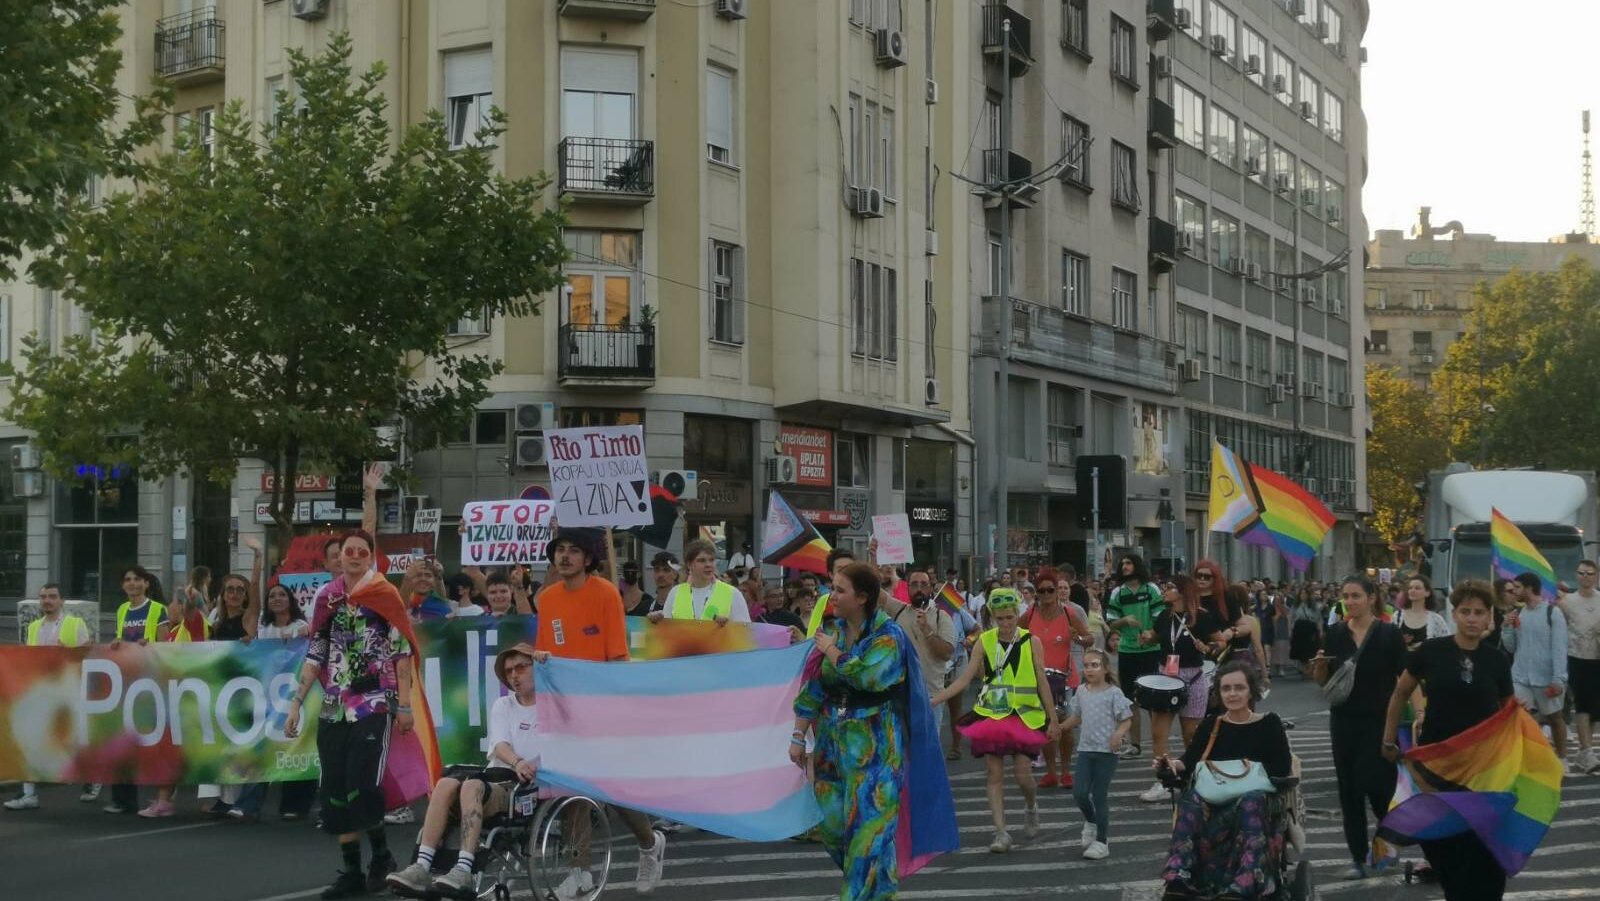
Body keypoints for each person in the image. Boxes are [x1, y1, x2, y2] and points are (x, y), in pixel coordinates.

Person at [792, 562, 956, 899]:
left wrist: (831, 652)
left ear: (863, 597)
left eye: (839, 590)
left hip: (877, 755)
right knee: (835, 833)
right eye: (831, 587)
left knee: (866, 841)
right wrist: (798, 735)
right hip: (831, 751)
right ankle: (883, 893)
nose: (830, 596)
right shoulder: (833, 632)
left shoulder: (889, 637)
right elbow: (814, 686)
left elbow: (865, 676)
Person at [284, 529, 421, 899]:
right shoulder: (327, 598)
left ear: (371, 557)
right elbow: (316, 652)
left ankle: (381, 858)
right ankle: (351, 871)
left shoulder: (383, 595)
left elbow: (401, 652)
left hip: (374, 701)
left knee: (363, 785)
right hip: (334, 704)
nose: (356, 556)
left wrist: (404, 705)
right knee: (335, 791)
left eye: (363, 551)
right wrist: (296, 702)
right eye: (349, 551)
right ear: (338, 557)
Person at [529, 528, 666, 895]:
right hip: (564, 707)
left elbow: (618, 657)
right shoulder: (548, 598)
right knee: (570, 790)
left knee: (612, 789)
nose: (566, 556)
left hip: (602, 707)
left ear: (588, 559)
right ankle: (580, 871)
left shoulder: (606, 592)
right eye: (560, 550)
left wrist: (615, 709)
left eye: (574, 550)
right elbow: (546, 654)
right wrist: (540, 659)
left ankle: (649, 844)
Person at [1381, 580, 1515, 901]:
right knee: (1442, 842)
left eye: (1479, 612)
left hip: (1483, 769)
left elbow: (1509, 712)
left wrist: (1519, 756)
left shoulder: (1497, 660)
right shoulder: (1430, 651)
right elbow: (1400, 693)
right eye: (1465, 611)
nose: (1472, 618)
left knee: (1485, 846)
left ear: (1488, 619)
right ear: (1453, 614)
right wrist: (1388, 739)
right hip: (1436, 767)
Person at [388, 642, 542, 899]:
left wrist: (526, 766)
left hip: (524, 788)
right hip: (500, 775)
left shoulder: (551, 707)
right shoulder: (503, 705)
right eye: (509, 671)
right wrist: (516, 761)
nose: (514, 675)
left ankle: (464, 869)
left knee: (471, 787)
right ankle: (422, 867)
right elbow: (500, 745)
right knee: (446, 783)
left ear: (536, 668)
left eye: (520, 668)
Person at [932, 588, 1062, 853]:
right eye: (1000, 618)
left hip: (1025, 715)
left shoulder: (1031, 641)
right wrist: (935, 698)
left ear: (1017, 615)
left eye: (1010, 617)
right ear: (992, 617)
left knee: (1024, 775)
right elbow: (966, 677)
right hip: (992, 714)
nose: (1005, 623)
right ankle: (1000, 832)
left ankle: (1030, 806)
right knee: (994, 774)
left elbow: (1041, 680)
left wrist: (1053, 719)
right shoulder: (985, 641)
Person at [1158, 662, 1293, 900]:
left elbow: (1282, 768)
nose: (1232, 693)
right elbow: (1187, 763)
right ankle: (1179, 875)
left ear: (1251, 691)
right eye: (1226, 688)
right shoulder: (1211, 725)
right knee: (1189, 801)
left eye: (1239, 688)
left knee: (1252, 800)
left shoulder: (1269, 723)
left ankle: (1248, 880)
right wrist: (1169, 765)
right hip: (1213, 805)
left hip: (1254, 804)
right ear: (1219, 693)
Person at [1313, 575, 1407, 879]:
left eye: (1356, 596)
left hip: (1380, 720)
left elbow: (1406, 677)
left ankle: (1388, 842)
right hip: (1343, 719)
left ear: (1371, 598)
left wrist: (1419, 711)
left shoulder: (1389, 634)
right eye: (1346, 596)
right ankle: (1357, 857)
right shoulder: (1334, 633)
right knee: (1349, 790)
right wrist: (1318, 671)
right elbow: (1326, 683)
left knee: (1378, 786)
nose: (1350, 602)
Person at [5, 584, 94, 812]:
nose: (47, 601)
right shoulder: (34, 627)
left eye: (52, 597)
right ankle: (28, 794)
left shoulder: (75, 624)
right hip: (41, 692)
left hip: (68, 690)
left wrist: (70, 651)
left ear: (61, 601)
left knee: (75, 741)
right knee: (30, 739)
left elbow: (88, 654)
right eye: (43, 597)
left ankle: (93, 777)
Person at [1139, 576, 1223, 803]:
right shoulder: (1165, 616)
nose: (1164, 592)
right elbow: (1155, 637)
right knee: (1158, 732)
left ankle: (1193, 776)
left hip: (1193, 677)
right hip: (1166, 676)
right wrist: (1146, 637)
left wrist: (1207, 647)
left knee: (1191, 734)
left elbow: (1221, 642)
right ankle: (1163, 781)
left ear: (1183, 592)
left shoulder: (1202, 617)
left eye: (1169, 588)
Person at [248, 577, 317, 822]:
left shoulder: (302, 625)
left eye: (282, 595)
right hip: (268, 697)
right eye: (272, 596)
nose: (276, 599)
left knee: (299, 746)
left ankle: (296, 804)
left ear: (290, 601)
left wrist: (303, 634)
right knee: (266, 748)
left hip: (298, 696)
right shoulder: (263, 629)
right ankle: (250, 803)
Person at [1062, 648, 1132, 860]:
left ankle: (1102, 841)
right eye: (1086, 665)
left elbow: (1126, 718)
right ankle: (1091, 821)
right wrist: (1060, 727)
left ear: (1105, 668)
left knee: (1099, 795)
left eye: (1095, 665)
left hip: (1106, 752)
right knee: (1079, 793)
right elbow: (1076, 717)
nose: (1090, 669)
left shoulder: (1114, 693)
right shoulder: (1081, 691)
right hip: (1086, 749)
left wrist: (1118, 734)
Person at [1020, 567, 1084, 790]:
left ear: (1058, 591)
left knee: (1064, 727)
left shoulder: (1069, 614)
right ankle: (1051, 771)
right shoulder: (1029, 614)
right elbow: (1013, 635)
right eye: (1042, 591)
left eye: (1050, 590)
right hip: (1038, 679)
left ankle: (1066, 771)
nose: (1046, 595)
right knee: (1046, 725)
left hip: (1065, 679)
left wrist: (1080, 639)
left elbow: (1090, 639)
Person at [1503, 572, 1570, 766]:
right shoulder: (1519, 614)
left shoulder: (1552, 613)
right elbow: (1511, 647)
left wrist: (1558, 678)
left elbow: (1560, 647)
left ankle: (1562, 758)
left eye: (1517, 587)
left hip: (1546, 677)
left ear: (1529, 588)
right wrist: (1506, 627)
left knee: (1555, 718)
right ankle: (1530, 759)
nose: (1514, 591)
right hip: (1521, 676)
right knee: (1522, 717)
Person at [1105, 554, 1166, 760]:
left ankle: (1159, 744)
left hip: (1150, 650)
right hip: (1127, 651)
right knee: (1131, 700)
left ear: (1137, 565)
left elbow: (1161, 618)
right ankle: (1135, 744)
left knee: (1152, 701)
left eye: (1129, 563)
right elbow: (1110, 622)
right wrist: (1125, 620)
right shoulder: (1117, 592)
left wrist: (1150, 635)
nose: (1125, 566)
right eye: (1122, 564)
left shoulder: (1152, 589)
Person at [894, 567, 956, 734]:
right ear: (907, 588)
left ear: (931, 588)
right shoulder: (898, 611)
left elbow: (946, 653)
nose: (919, 589)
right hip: (901, 694)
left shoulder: (941, 617)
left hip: (931, 697)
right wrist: (874, 558)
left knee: (928, 749)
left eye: (924, 584)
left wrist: (927, 630)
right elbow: (875, 592)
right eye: (914, 584)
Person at [1556, 560, 1600, 774]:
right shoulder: (1567, 602)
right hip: (1576, 657)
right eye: (1582, 573)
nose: (1585, 577)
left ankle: (1586, 752)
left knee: (1593, 709)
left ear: (1596, 576)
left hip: (1597, 657)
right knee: (1582, 705)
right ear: (1576, 575)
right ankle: (1586, 749)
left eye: (1590, 574)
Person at [650, 538, 751, 624]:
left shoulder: (733, 593)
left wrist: (727, 626)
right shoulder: (675, 592)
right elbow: (667, 630)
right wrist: (657, 619)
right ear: (689, 565)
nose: (708, 564)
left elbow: (744, 633)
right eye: (702, 560)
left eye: (711, 560)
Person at [1397, 575, 1451, 651]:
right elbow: (1389, 643)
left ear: (1427, 593)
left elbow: (1447, 644)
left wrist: (1426, 645)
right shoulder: (1397, 616)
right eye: (1410, 588)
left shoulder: (1436, 620)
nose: (1413, 590)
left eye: (1417, 588)